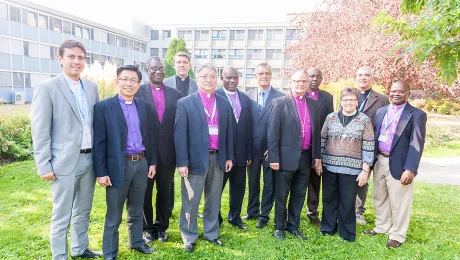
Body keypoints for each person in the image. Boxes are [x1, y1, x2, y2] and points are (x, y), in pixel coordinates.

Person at [30, 40, 101, 259]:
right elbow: (40, 130)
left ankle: (80, 249)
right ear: (60, 59)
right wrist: (44, 164)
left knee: (83, 210)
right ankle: (59, 256)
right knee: (61, 215)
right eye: (71, 56)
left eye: (80, 57)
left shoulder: (91, 87)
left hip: (90, 160)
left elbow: (95, 124)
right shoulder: (47, 88)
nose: (76, 61)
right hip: (63, 163)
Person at [93, 65, 158, 259]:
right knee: (114, 213)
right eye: (125, 79)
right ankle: (110, 251)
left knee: (137, 208)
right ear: (117, 81)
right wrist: (101, 172)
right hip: (117, 166)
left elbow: (151, 137)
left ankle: (137, 242)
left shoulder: (145, 107)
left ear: (139, 84)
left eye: (133, 80)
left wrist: (152, 162)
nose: (129, 83)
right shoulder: (103, 107)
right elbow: (99, 143)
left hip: (141, 163)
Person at [175, 63, 234, 252]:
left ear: (217, 80)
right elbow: (179, 135)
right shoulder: (185, 103)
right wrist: (182, 162)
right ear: (197, 79)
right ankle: (189, 236)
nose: (209, 80)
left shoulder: (224, 103)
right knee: (191, 199)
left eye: (212, 77)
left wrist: (229, 156)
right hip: (193, 161)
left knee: (214, 199)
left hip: (218, 158)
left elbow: (230, 133)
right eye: (204, 77)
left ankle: (211, 233)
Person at [364, 80, 427, 249]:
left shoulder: (416, 115)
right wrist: (370, 162)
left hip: (400, 164)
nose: (396, 94)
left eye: (400, 91)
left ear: (408, 93)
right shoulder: (381, 111)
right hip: (380, 160)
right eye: (393, 91)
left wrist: (410, 169)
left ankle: (398, 234)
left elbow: (417, 144)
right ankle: (382, 226)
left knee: (400, 201)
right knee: (379, 196)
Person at [267, 70, 321, 240]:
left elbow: (317, 133)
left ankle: (293, 226)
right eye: (297, 81)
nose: (300, 84)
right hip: (284, 158)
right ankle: (279, 227)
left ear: (307, 83)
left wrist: (316, 156)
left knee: (299, 194)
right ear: (291, 82)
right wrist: (274, 158)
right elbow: (272, 133)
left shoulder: (313, 104)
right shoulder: (280, 103)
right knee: (282, 194)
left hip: (305, 158)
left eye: (304, 81)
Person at [136, 57, 183, 243]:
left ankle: (162, 226)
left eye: (161, 68)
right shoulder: (138, 92)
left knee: (165, 191)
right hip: (145, 152)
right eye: (154, 68)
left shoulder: (176, 94)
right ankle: (148, 228)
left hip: (168, 153)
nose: (158, 71)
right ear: (147, 70)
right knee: (145, 192)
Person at [319, 87, 375, 242]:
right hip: (329, 166)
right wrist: (318, 161)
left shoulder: (364, 120)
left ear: (357, 101)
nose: (348, 102)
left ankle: (347, 232)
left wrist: (365, 169)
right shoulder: (331, 118)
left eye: (352, 99)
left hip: (352, 169)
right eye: (345, 99)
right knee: (329, 198)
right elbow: (322, 139)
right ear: (341, 101)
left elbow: (369, 145)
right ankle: (328, 228)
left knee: (347, 200)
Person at [245, 62, 285, 229]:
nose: (264, 76)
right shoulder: (246, 96)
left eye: (267, 73)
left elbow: (283, 126)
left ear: (271, 75)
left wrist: (274, 148)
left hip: (270, 150)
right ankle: (252, 210)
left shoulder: (280, 97)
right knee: (252, 181)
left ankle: (264, 215)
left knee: (269, 183)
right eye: (260, 73)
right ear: (255, 76)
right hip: (252, 149)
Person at [215, 66, 254, 230]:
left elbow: (250, 128)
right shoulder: (215, 97)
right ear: (222, 78)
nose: (232, 81)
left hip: (241, 153)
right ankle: (215, 217)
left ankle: (235, 217)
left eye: (235, 78)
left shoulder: (245, 99)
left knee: (238, 187)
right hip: (221, 152)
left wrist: (250, 153)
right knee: (217, 187)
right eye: (228, 77)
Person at [163, 51, 198, 216]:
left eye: (185, 62)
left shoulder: (196, 84)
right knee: (168, 176)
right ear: (174, 64)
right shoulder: (165, 83)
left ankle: (192, 206)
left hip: (192, 136)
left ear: (189, 65)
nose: (182, 65)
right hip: (170, 135)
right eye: (179, 62)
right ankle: (168, 207)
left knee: (192, 173)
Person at [355, 66, 389, 225]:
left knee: (364, 179)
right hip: (350, 145)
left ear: (372, 78)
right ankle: (345, 209)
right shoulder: (349, 95)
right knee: (350, 179)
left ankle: (358, 212)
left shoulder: (382, 99)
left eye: (367, 75)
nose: (363, 78)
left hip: (371, 146)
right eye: (360, 75)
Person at [305, 67, 334, 227]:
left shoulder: (327, 98)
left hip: (319, 145)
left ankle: (312, 213)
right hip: (301, 145)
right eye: (311, 76)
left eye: (318, 76)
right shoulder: (299, 95)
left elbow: (330, 121)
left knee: (316, 181)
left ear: (322, 79)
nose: (314, 79)